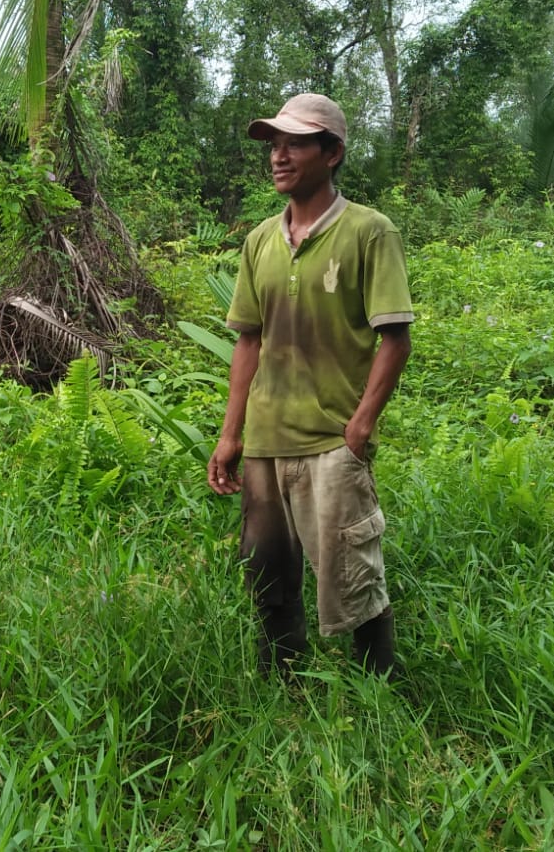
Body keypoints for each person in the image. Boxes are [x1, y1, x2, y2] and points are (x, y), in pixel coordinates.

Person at [207, 94, 414, 681]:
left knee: (352, 576)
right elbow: (248, 342)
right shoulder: (260, 242)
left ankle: (381, 694)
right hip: (266, 445)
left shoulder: (369, 232)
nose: (279, 156)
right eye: (274, 145)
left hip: (331, 443)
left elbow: (394, 340)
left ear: (333, 153)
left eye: (295, 143)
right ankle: (284, 689)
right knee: (268, 576)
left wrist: (360, 428)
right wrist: (231, 434)